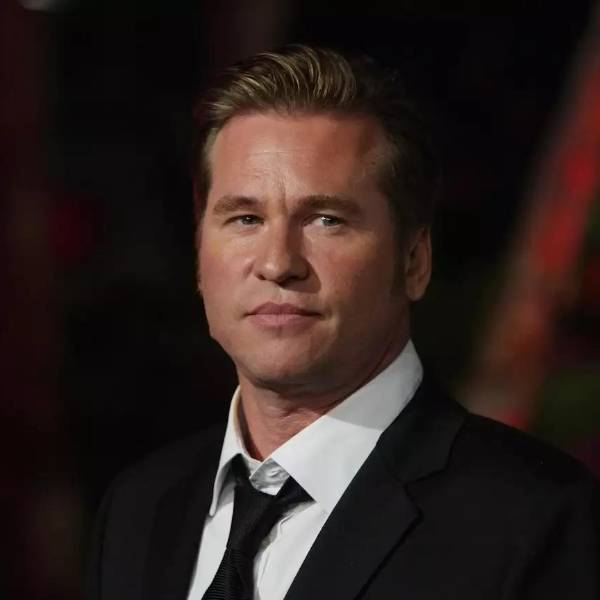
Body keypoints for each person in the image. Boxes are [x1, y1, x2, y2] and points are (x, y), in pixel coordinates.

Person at [86, 45, 600, 600]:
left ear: (414, 262)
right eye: (246, 218)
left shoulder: (538, 522)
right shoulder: (139, 510)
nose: (278, 262)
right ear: (199, 257)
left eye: (326, 220)